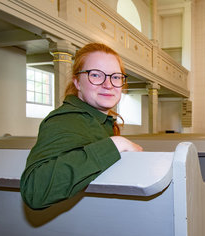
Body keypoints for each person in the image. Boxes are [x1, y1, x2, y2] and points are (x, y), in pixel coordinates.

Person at [20, 42, 143, 210]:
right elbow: (35, 191)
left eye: (115, 77)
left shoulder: (100, 119)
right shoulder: (66, 120)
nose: (108, 84)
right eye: (96, 75)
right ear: (77, 82)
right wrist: (116, 144)